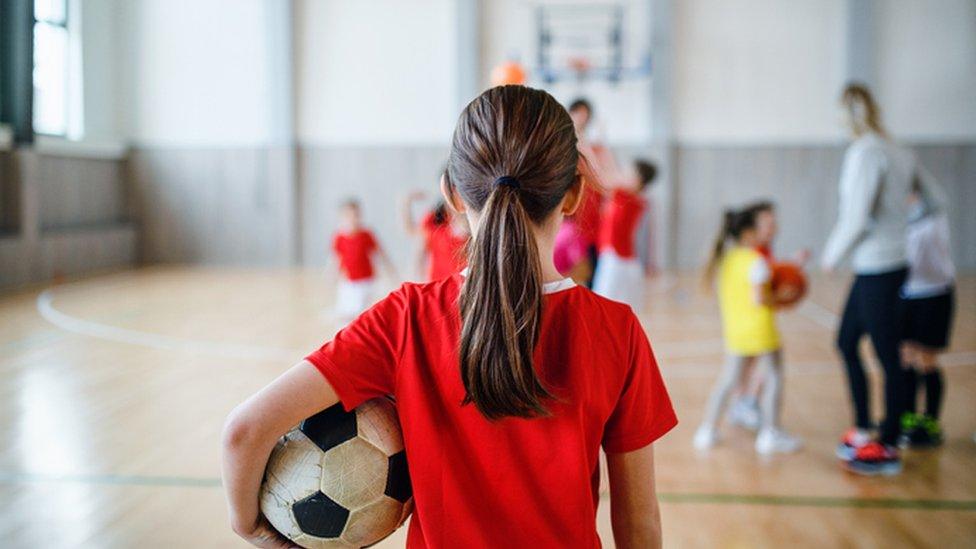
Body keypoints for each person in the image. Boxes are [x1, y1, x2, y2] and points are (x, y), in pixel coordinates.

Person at [222, 86, 677, 549]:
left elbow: (244, 432)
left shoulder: (405, 318)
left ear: (453, 196)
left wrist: (254, 528)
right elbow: (639, 523)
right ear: (576, 193)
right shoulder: (617, 330)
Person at [823, 83, 945, 476]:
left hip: (878, 266)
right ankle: (863, 427)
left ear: (847, 114)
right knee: (845, 341)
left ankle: (889, 441)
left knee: (888, 354)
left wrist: (830, 256)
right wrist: (900, 223)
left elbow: (856, 217)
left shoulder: (866, 152)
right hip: (884, 264)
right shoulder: (898, 149)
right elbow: (936, 201)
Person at [694, 204, 802, 455]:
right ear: (748, 233)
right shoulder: (756, 262)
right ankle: (770, 433)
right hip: (760, 330)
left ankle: (706, 430)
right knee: (774, 376)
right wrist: (782, 296)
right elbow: (760, 299)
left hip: (735, 330)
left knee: (727, 381)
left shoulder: (728, 259)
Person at [726, 202, 810, 431]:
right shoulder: (754, 254)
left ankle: (742, 405)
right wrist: (781, 295)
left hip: (743, 324)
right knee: (763, 371)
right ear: (753, 228)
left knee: (750, 367)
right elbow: (762, 290)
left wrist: (793, 264)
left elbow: (771, 272)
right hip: (754, 324)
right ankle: (749, 409)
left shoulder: (757, 251)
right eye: (768, 224)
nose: (774, 228)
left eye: (775, 223)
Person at [898, 187, 955, 448]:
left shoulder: (933, 219)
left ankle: (931, 420)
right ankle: (908, 417)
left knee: (928, 359)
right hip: (906, 294)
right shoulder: (898, 221)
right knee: (906, 356)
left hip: (935, 293)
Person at [591, 159, 658, 311]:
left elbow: (605, 176)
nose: (622, 175)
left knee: (603, 304)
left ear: (638, 180)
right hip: (619, 259)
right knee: (607, 306)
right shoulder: (625, 196)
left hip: (618, 261)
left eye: (628, 173)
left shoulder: (629, 199)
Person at [331, 199, 394, 320]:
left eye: (355, 215)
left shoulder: (366, 234)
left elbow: (381, 254)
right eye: (348, 215)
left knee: (361, 312)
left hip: (366, 281)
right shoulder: (339, 237)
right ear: (342, 217)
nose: (352, 219)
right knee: (344, 312)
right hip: (348, 281)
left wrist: (390, 273)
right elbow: (336, 258)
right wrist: (334, 276)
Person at [400, 175, 469, 281]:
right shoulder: (434, 220)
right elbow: (412, 231)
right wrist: (406, 202)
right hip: (437, 283)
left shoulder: (470, 221)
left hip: (461, 284)